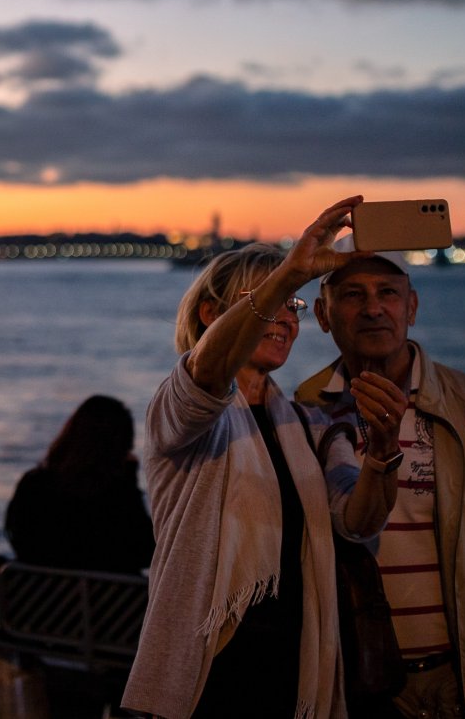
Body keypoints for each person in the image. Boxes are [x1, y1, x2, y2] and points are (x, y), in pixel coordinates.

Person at [122, 197, 407, 719]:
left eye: (293, 306)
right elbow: (206, 373)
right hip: (210, 667)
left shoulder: (308, 423)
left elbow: (357, 520)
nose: (284, 318)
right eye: (266, 301)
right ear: (212, 313)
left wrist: (384, 455)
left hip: (291, 668)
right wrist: (291, 273)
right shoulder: (182, 411)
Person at [297, 245, 465, 719]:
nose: (374, 308)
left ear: (413, 307)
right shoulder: (304, 412)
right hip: (354, 683)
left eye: (388, 293)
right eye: (353, 295)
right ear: (323, 314)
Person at [5, 394, 154, 573]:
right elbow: (147, 552)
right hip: (106, 598)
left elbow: (19, 541)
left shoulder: (33, 484)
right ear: (121, 446)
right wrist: (129, 479)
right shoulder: (118, 496)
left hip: (44, 597)